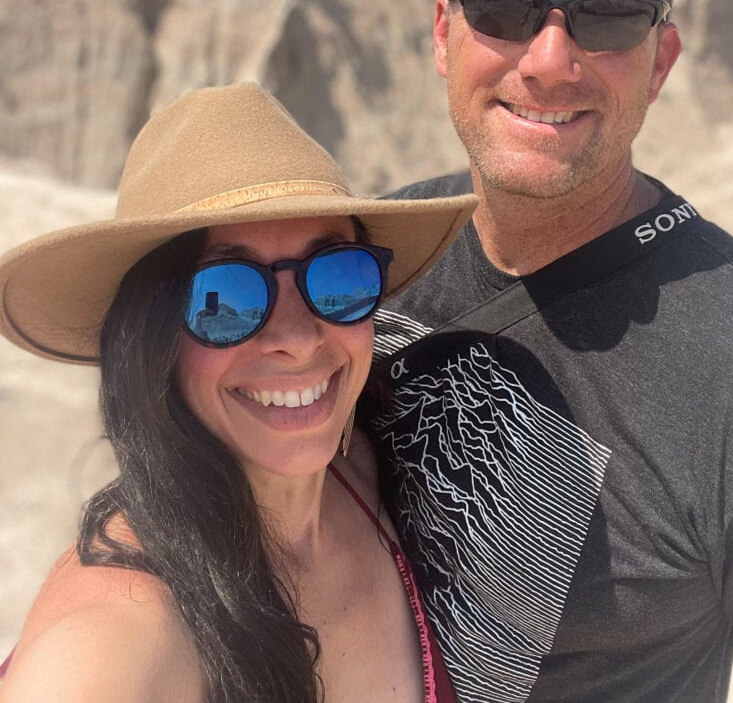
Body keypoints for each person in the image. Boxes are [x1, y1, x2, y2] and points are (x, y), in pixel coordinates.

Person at [368, 0, 733, 703]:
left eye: (606, 20)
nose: (550, 60)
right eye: (502, 8)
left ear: (662, 59)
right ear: (442, 33)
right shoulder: (369, 260)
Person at [0, 82, 475, 703]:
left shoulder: (365, 472)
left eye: (336, 274)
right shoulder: (117, 640)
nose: (299, 338)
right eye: (225, 297)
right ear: (151, 340)